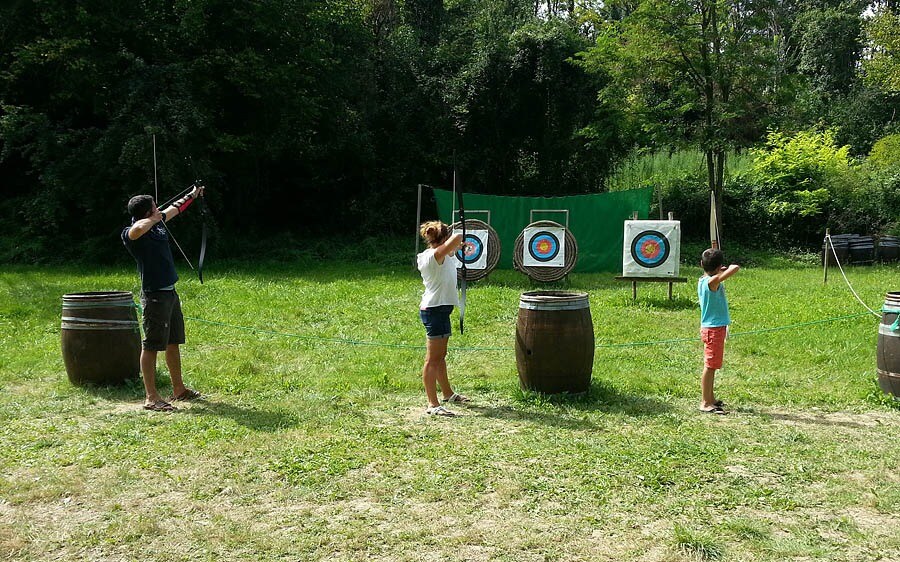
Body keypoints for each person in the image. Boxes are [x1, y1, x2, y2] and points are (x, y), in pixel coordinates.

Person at [122, 185, 205, 411]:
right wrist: (154, 218)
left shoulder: (156, 224)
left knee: (172, 341)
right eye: (154, 207)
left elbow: (175, 209)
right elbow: (137, 229)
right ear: (147, 212)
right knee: (151, 345)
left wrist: (193, 194)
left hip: (169, 292)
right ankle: (151, 397)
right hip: (154, 294)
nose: (158, 209)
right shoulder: (132, 232)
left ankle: (179, 389)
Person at [416, 220, 471, 416]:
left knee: (441, 357)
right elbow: (455, 239)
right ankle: (432, 404)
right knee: (432, 359)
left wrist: (458, 245)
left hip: (441, 310)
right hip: (434, 310)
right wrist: (457, 236)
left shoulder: (442, 254)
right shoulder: (432, 256)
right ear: (444, 238)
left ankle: (447, 394)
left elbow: (451, 249)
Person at [697, 248, 740, 414]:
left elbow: (716, 275)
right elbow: (734, 268)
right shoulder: (712, 282)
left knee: (712, 365)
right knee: (710, 366)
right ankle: (705, 402)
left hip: (713, 328)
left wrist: (718, 269)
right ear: (719, 266)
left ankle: (711, 398)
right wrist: (726, 268)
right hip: (713, 330)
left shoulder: (703, 279)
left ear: (701, 265)